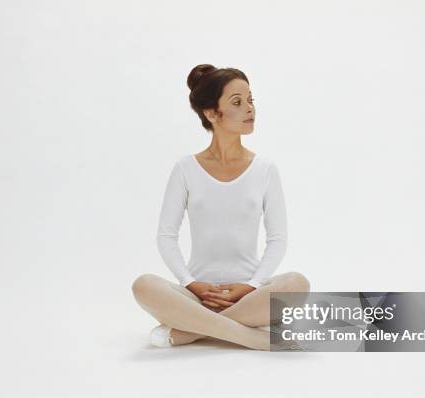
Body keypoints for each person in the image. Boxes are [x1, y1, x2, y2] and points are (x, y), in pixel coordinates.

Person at [131, 64, 310, 351]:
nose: (250, 108)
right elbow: (166, 235)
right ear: (212, 114)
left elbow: (277, 239)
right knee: (143, 285)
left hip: (249, 296)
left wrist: (252, 285)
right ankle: (253, 337)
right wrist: (190, 284)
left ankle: (190, 331)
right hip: (195, 296)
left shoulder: (265, 170)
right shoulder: (185, 169)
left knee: (297, 283)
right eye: (237, 102)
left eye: (251, 100)